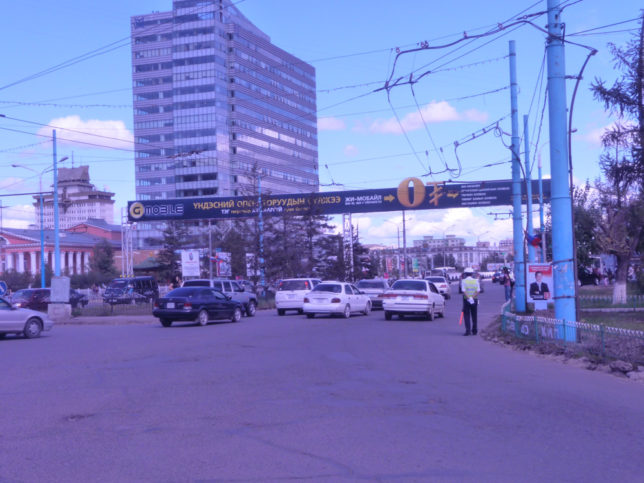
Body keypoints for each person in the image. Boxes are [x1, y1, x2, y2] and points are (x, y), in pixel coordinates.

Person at [460, 267, 480, 336]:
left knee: (466, 316)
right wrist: (472, 298)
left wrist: (469, 298)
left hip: (466, 300)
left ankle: (468, 331)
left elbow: (463, 291)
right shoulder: (476, 281)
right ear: (472, 274)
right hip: (474, 300)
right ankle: (474, 330)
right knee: (474, 315)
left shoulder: (463, 281)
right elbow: (478, 291)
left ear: (465, 274)